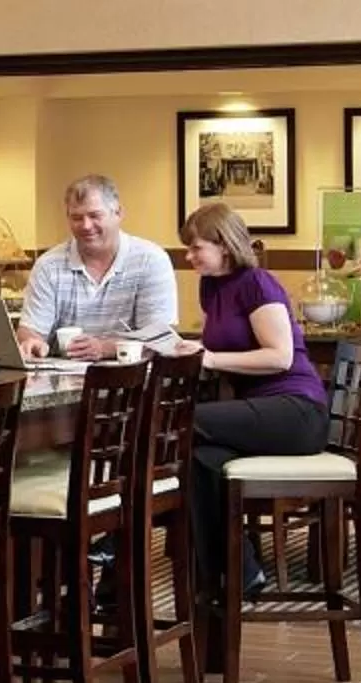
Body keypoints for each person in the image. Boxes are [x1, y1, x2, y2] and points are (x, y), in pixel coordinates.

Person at [177, 201, 333, 617]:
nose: (189, 257)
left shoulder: (258, 284)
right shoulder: (211, 287)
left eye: (196, 248)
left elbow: (279, 357)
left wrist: (207, 358)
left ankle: (114, 541)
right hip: (258, 410)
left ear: (224, 246)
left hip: (296, 411)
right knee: (199, 460)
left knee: (179, 424)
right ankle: (233, 574)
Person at [18, 175, 178, 362]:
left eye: (95, 216)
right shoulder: (48, 265)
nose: (86, 226)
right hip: (62, 380)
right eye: (77, 218)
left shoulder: (151, 260)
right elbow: (31, 329)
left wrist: (104, 348)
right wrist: (31, 341)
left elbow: (159, 337)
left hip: (134, 382)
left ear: (118, 213)